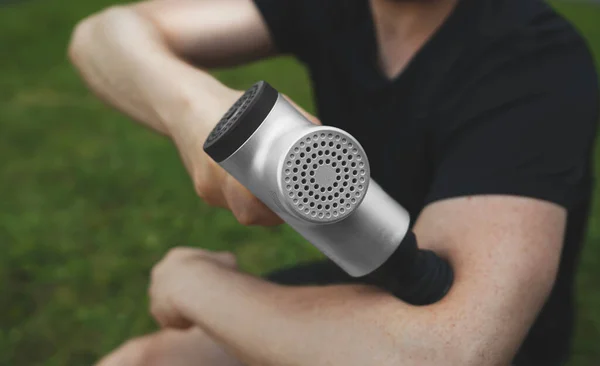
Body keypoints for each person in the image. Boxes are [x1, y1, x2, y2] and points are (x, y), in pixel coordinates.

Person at [67, 0, 599, 364]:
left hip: (466, 332)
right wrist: (195, 110)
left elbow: (449, 350)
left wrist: (194, 284)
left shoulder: (536, 63)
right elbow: (102, 34)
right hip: (366, 280)